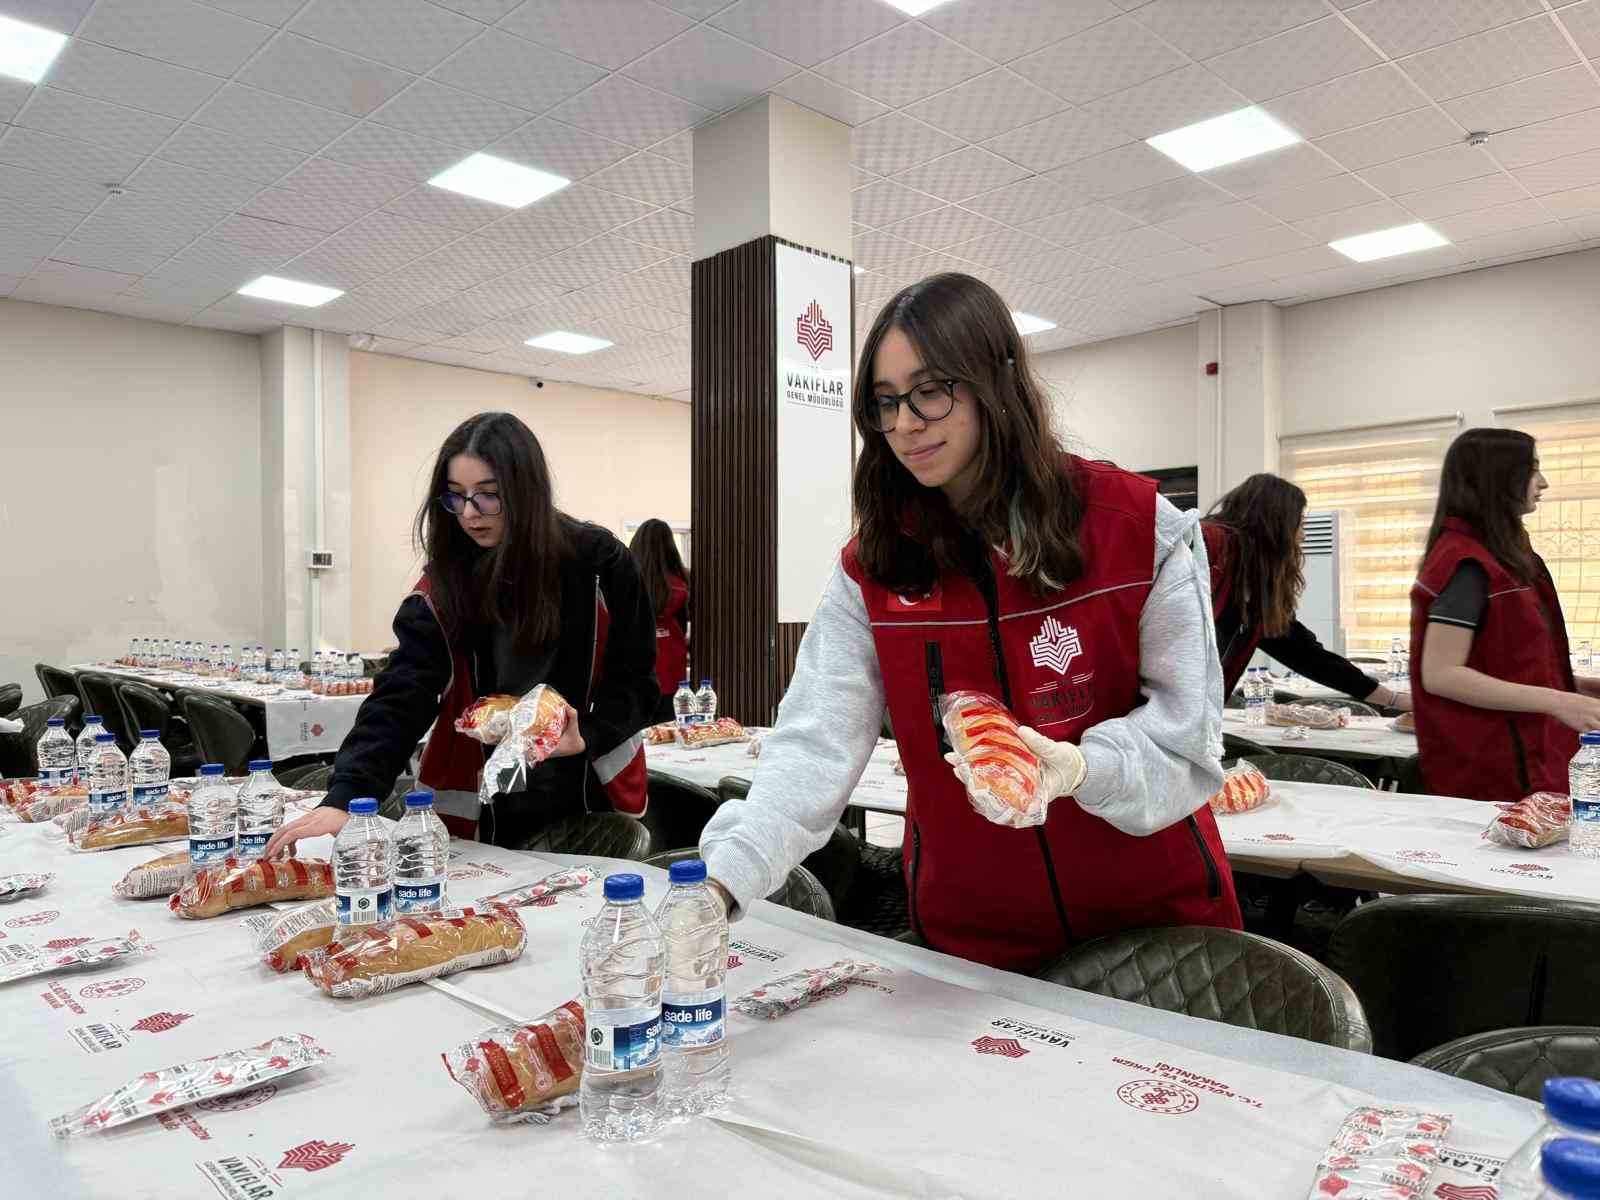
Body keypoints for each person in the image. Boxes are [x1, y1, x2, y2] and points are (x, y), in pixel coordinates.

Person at [698, 273, 1240, 974]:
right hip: (975, 947)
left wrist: (1081, 767)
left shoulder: (1138, 529)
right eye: (885, 402)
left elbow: (1187, 739)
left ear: (996, 381)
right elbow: (813, 744)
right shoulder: (876, 568)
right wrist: (720, 884)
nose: (904, 424)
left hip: (1160, 941)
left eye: (930, 390)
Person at [265, 412, 658, 854]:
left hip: (588, 790)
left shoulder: (598, 564)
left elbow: (638, 683)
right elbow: (400, 697)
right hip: (477, 801)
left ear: (526, 491)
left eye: (488, 497)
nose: (470, 514)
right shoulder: (444, 584)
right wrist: (348, 795)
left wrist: (586, 732)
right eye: (456, 498)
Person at [1411, 428, 1600, 801]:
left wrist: (1571, 684)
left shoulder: (1506, 555)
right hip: (1492, 765)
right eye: (1532, 470)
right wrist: (1558, 701)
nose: (1543, 483)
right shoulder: (1466, 563)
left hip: (1529, 751)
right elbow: (1441, 674)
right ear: (1496, 478)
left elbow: (1505, 658)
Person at [1204, 474, 1411, 710]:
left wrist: (1393, 699)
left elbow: (1308, 656)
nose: (1302, 535)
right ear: (1276, 524)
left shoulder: (1253, 588)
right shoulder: (1209, 550)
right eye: (1299, 524)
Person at [628, 519, 691, 724]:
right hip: (673, 674)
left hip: (636, 674)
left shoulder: (627, 581)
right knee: (668, 732)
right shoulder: (682, 584)